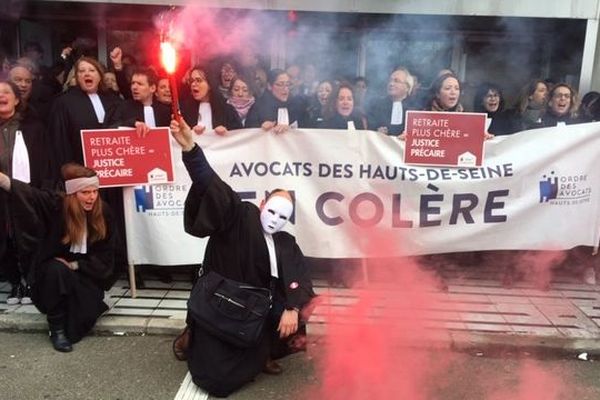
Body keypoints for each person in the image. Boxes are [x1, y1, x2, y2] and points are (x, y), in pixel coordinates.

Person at [169, 117, 315, 397]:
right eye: (271, 211)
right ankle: (194, 337)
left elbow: (300, 278)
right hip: (224, 305)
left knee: (302, 305)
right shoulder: (240, 215)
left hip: (259, 310)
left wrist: (292, 309)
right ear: (262, 204)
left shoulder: (286, 242)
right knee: (216, 380)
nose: (274, 220)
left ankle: (265, 352)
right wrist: (191, 149)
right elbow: (212, 184)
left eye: (283, 217)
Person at [0, 162, 115, 352]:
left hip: (84, 272)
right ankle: (56, 329)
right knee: (57, 270)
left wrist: (76, 265)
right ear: (73, 193)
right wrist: (4, 180)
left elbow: (108, 252)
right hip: (51, 274)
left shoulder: (104, 212)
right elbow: (30, 195)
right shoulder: (56, 205)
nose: (92, 197)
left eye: (94, 191)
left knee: (84, 316)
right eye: (85, 192)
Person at [0, 80, 48, 305]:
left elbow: (42, 162)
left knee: (29, 235)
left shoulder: (33, 127)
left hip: (27, 191)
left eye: (6, 92)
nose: (1, 96)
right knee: (6, 238)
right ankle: (14, 282)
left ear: (17, 99)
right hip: (1, 196)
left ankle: (30, 281)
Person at [179, 65, 242, 136]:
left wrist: (226, 134)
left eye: (199, 80)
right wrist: (190, 132)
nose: (193, 84)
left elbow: (239, 137)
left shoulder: (227, 110)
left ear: (210, 84)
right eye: (191, 81)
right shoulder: (185, 110)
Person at [245, 69, 308, 133]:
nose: (285, 89)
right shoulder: (258, 107)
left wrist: (290, 128)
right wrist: (261, 128)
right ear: (269, 86)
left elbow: (306, 129)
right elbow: (248, 134)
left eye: (288, 84)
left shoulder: (296, 105)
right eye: (280, 84)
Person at [367, 67, 414, 136]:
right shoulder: (377, 106)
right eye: (390, 80)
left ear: (407, 87)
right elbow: (369, 131)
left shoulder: (415, 108)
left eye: (396, 81)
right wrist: (377, 133)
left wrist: (409, 136)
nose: (391, 84)